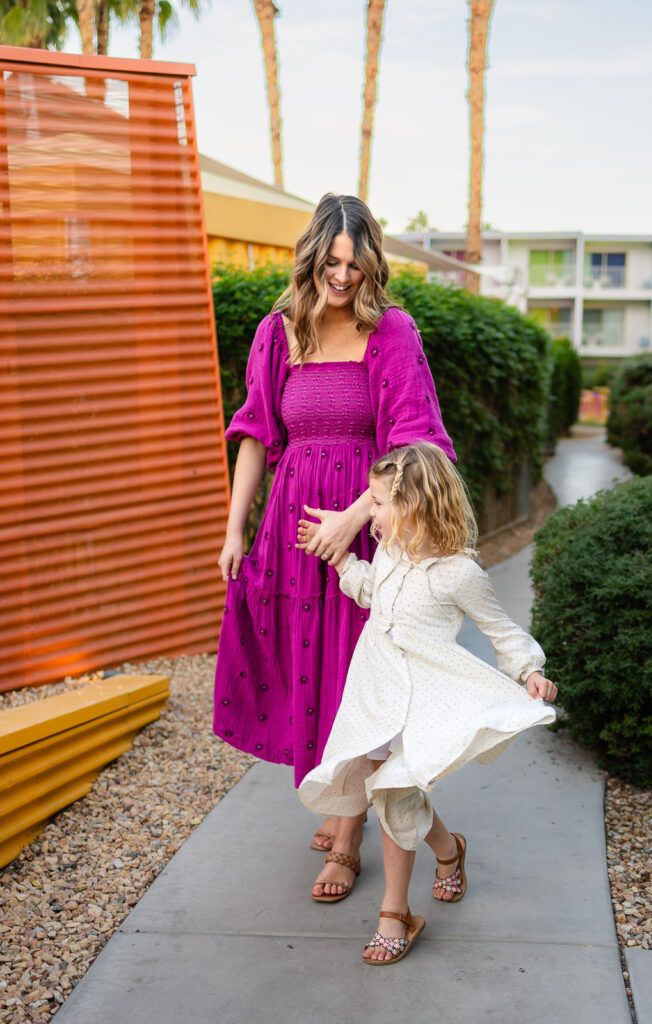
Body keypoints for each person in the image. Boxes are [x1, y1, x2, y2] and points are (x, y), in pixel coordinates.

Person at [213, 194, 456, 898]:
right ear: (310, 257)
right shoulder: (278, 330)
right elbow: (257, 433)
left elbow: (414, 442)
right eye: (331, 261)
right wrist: (235, 528)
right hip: (292, 531)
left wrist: (354, 519)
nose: (342, 276)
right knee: (307, 670)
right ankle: (344, 796)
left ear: (370, 265)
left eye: (354, 263)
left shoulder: (392, 332)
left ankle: (346, 841)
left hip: (369, 531)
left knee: (359, 680)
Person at [298, 442, 558, 965]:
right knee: (397, 794)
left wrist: (530, 669)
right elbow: (373, 594)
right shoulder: (391, 553)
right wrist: (344, 559)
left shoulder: (459, 574)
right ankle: (448, 849)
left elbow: (500, 630)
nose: (367, 512)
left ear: (413, 505)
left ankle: (396, 913)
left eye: (376, 502)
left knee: (395, 794)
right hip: (375, 693)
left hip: (422, 697)